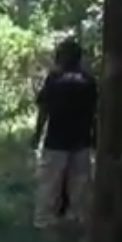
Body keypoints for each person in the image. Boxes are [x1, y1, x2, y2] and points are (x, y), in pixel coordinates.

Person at [31, 39, 98, 228]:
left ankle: (44, 219)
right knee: (80, 182)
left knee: (50, 182)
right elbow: (94, 112)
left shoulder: (54, 78)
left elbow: (44, 109)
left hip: (56, 139)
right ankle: (75, 218)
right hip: (82, 139)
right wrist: (96, 136)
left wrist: (37, 135)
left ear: (61, 57)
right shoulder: (89, 80)